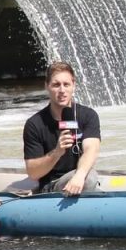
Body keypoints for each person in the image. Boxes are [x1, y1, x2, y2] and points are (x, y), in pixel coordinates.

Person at [23, 61, 101, 195]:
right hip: (50, 185)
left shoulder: (88, 115)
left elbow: (91, 150)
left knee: (89, 178)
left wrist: (79, 176)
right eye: (56, 85)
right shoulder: (34, 124)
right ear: (47, 86)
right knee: (90, 179)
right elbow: (33, 172)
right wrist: (57, 152)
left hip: (80, 177)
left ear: (73, 86)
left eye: (66, 84)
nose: (62, 90)